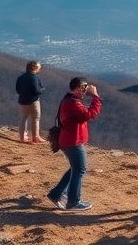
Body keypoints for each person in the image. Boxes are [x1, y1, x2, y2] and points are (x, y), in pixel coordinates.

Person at [46, 77, 102, 212]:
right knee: (80, 169)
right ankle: (73, 202)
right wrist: (96, 97)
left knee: (74, 169)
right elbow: (89, 114)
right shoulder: (73, 103)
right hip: (73, 142)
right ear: (77, 88)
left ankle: (55, 194)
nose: (85, 90)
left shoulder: (70, 100)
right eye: (84, 88)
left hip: (69, 140)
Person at [15, 61, 46, 144]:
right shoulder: (35, 78)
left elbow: (18, 89)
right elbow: (36, 91)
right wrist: (42, 89)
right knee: (35, 118)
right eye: (39, 67)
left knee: (23, 118)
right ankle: (35, 137)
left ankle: (22, 137)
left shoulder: (21, 77)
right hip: (33, 101)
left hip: (22, 100)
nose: (40, 68)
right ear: (34, 68)